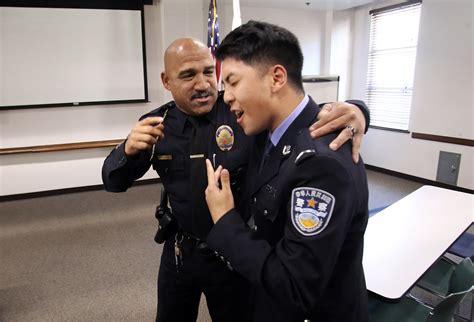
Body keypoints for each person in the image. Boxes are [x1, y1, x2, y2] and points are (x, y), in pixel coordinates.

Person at [102, 37, 369, 322]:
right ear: (166, 81)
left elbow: (295, 111)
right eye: (188, 75)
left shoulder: (242, 113)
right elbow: (113, 181)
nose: (204, 84)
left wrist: (356, 109)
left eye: (208, 71)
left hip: (234, 254)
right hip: (180, 251)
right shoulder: (156, 125)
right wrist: (128, 150)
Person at [204, 20, 369, 322]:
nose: (225, 96)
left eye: (233, 81)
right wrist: (360, 110)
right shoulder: (265, 130)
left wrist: (225, 220)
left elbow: (294, 287)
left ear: (277, 78)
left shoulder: (321, 163)